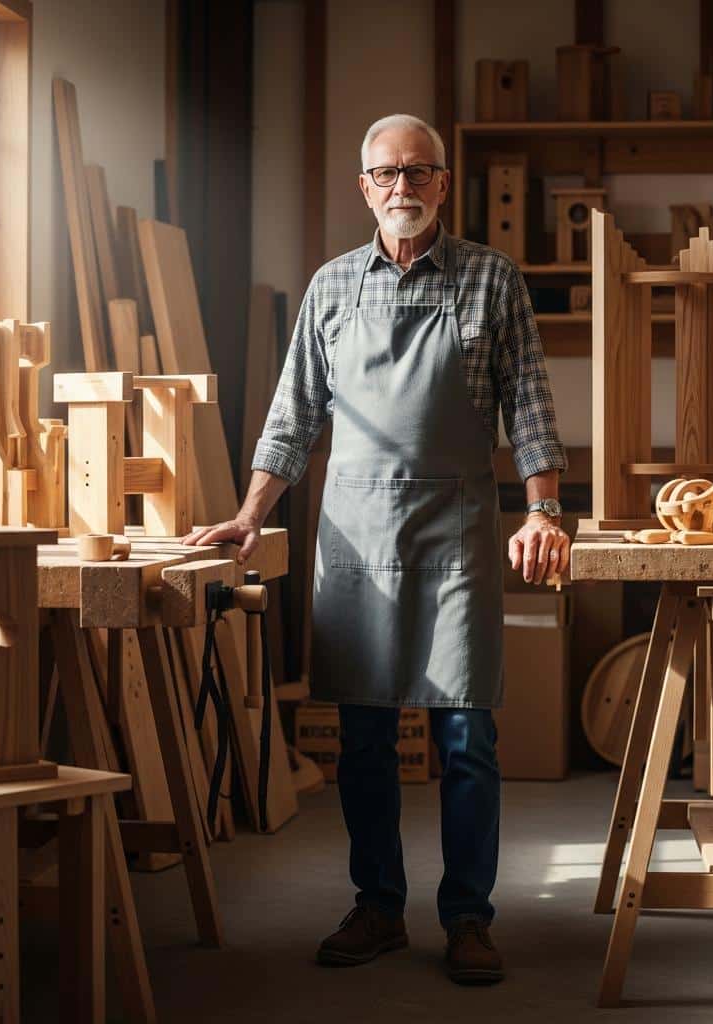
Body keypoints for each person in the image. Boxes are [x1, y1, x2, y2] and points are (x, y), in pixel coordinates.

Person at [184, 113, 569, 984]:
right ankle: (378, 907)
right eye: (386, 173)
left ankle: (469, 917)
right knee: (361, 735)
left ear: (443, 184)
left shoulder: (490, 280)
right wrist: (249, 516)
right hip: (353, 533)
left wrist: (543, 512)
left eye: (420, 172)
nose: (403, 186)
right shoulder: (330, 290)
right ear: (365, 186)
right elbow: (293, 416)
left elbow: (532, 409)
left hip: (458, 532)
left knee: (467, 735)